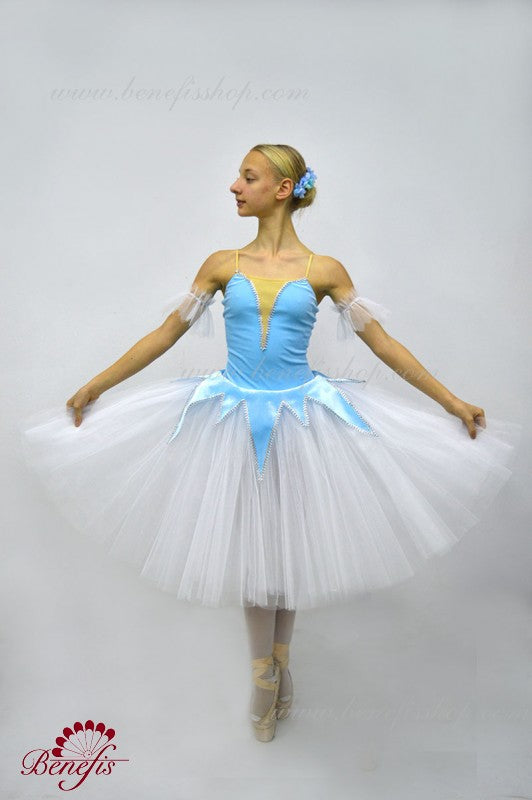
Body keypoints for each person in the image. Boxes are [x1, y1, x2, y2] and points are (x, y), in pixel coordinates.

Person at [19, 143, 522, 743]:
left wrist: (451, 401)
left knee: (284, 548)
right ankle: (265, 672)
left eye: (248, 177)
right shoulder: (221, 264)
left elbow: (382, 344)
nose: (234, 186)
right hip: (232, 416)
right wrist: (96, 385)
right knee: (257, 550)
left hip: (303, 420)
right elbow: (165, 334)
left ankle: (279, 661)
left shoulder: (324, 271)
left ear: (282, 189)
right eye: (239, 177)